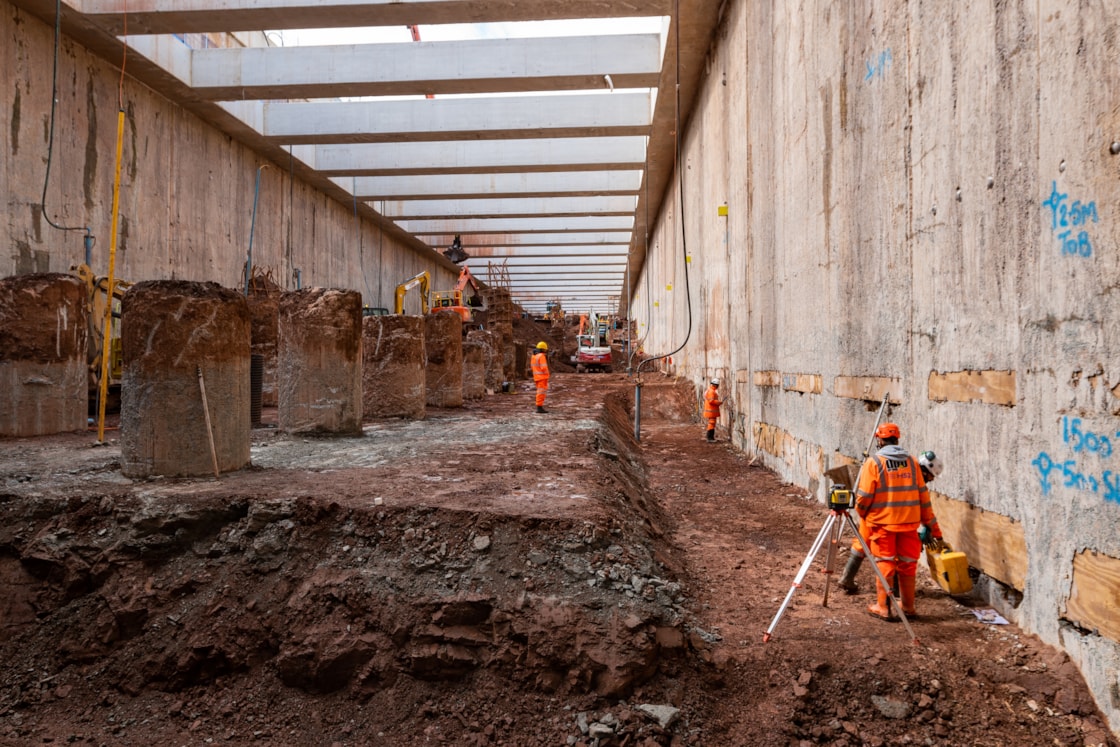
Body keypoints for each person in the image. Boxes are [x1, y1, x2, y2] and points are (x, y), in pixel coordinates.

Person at [853, 423, 943, 620]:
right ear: (897, 439)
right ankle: (908, 607)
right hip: (910, 525)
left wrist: (863, 515)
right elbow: (923, 497)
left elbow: (864, 497)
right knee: (908, 564)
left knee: (885, 563)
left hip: (883, 524)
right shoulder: (911, 462)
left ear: (879, 440)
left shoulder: (874, 463)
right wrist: (933, 528)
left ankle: (883, 607)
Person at [837, 449, 945, 594]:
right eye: (930, 477)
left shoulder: (899, 471)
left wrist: (863, 512)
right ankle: (892, 591)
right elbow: (922, 509)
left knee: (861, 544)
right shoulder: (914, 481)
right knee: (889, 555)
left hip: (874, 514)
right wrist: (936, 534)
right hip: (887, 520)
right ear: (924, 471)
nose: (929, 480)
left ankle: (847, 578)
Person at [531, 341, 550, 413]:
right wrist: (547, 374)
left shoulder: (534, 356)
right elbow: (544, 368)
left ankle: (539, 406)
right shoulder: (541, 356)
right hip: (542, 377)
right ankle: (539, 407)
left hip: (537, 377)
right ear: (543, 349)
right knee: (541, 392)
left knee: (540, 392)